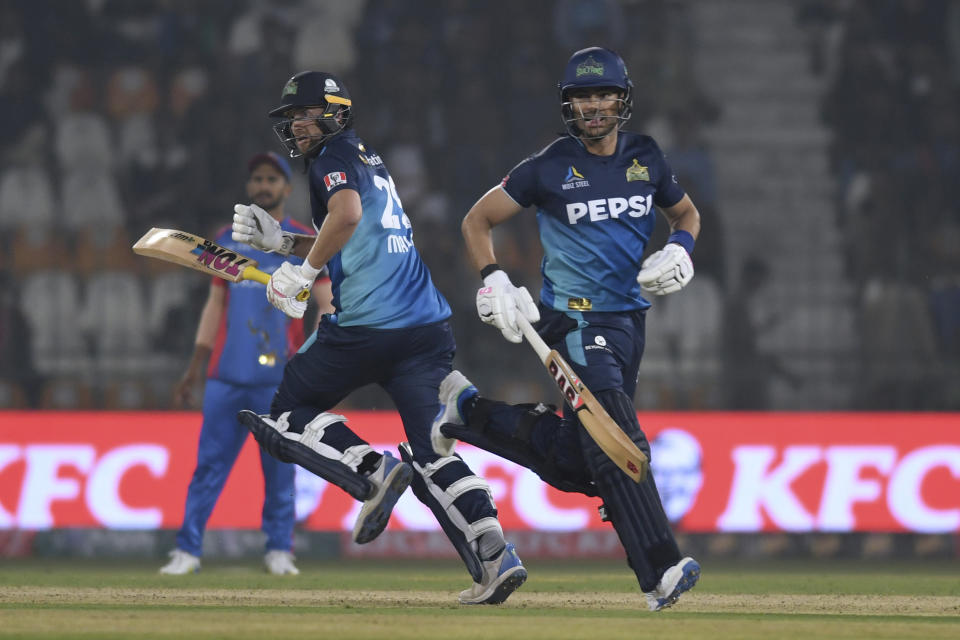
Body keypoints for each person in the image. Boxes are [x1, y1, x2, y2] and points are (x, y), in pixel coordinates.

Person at [231, 71, 526, 605]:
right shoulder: (365, 157)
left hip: (366, 327)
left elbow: (345, 216)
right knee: (434, 448)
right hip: (425, 328)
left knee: (285, 410)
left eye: (306, 115)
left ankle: (371, 470)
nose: (297, 126)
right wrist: (284, 244)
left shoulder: (331, 157)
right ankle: (494, 553)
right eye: (291, 118)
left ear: (336, 114)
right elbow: (350, 236)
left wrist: (301, 274)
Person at [430, 47, 702, 612]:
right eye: (583, 97)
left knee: (585, 460)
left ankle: (469, 413)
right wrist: (493, 278)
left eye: (604, 95)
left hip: (629, 322)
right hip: (574, 321)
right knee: (616, 434)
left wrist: (681, 247)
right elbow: (477, 220)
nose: (594, 106)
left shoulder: (646, 156)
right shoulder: (548, 166)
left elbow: (687, 214)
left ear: (622, 101)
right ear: (568, 105)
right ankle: (659, 570)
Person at [160, 151, 329, 576]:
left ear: (287, 189)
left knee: (280, 469)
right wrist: (194, 367)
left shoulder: (304, 242)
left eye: (272, 178)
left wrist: (318, 360)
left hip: (279, 379)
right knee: (209, 467)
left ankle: (278, 550)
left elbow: (325, 304)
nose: (263, 185)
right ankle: (187, 551)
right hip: (226, 377)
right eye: (257, 178)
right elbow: (215, 305)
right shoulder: (226, 239)